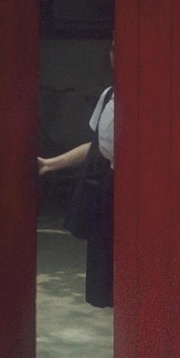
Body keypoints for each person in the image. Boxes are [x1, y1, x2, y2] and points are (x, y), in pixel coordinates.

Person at [37, 39, 115, 308]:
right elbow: (95, 147)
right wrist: (49, 164)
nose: (117, 56)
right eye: (113, 49)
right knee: (103, 272)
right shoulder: (109, 95)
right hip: (109, 190)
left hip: (141, 194)